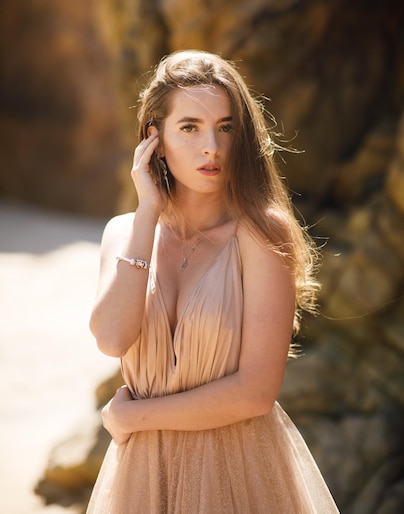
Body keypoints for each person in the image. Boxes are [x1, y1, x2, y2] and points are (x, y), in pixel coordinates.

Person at [86, 50, 339, 513]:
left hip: (235, 474)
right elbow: (112, 337)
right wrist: (147, 214)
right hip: (142, 480)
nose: (213, 148)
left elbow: (256, 393)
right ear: (154, 138)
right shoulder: (124, 232)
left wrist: (133, 416)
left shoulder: (263, 233)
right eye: (190, 127)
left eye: (226, 127)